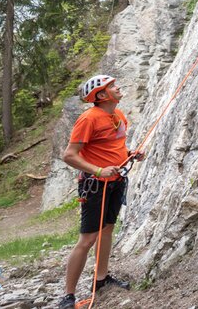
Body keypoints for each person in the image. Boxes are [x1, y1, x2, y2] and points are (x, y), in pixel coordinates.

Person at [56, 74, 140, 308]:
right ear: (102, 95)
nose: (118, 87)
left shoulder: (118, 115)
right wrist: (98, 170)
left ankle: (100, 279)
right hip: (95, 184)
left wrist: (130, 154)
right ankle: (68, 295)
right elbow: (69, 155)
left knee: (107, 230)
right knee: (88, 239)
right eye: (112, 86)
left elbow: (114, 146)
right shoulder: (88, 119)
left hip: (116, 180)